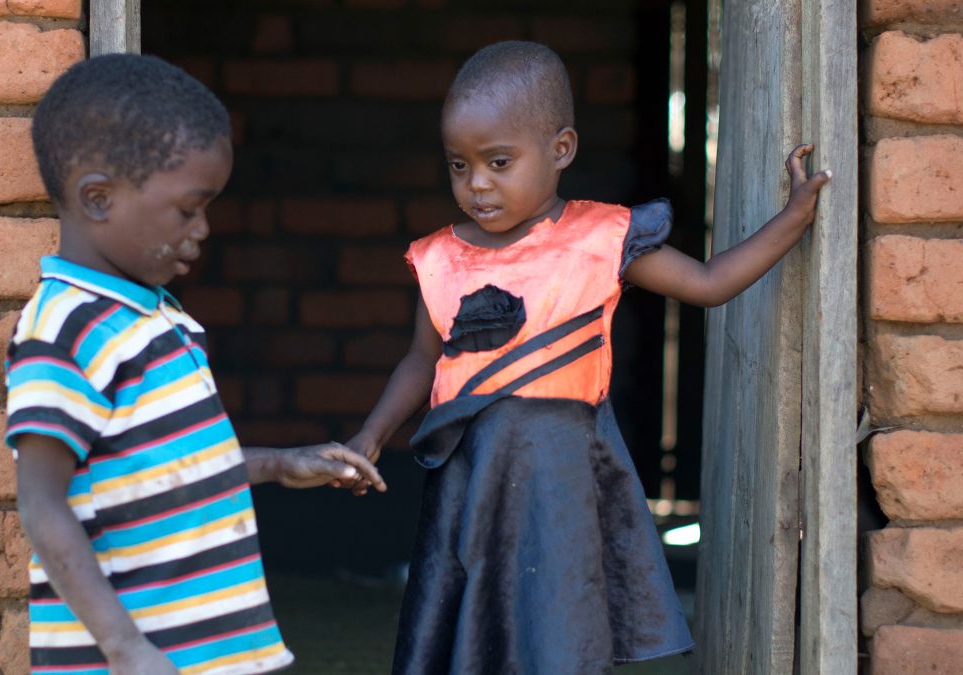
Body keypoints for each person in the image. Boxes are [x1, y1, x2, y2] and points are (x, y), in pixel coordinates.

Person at [341, 41, 831, 674]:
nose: (477, 183)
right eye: (459, 166)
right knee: (471, 622)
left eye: (498, 161)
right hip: (470, 476)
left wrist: (793, 218)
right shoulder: (440, 258)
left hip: (563, 473)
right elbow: (419, 361)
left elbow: (710, 284)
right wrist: (372, 434)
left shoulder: (603, 239)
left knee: (558, 620)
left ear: (561, 149)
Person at [5, 54, 387, 675]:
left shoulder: (160, 318)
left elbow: (160, 470)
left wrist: (277, 465)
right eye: (188, 209)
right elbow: (40, 504)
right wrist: (125, 649)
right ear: (98, 199)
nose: (204, 228)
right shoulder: (63, 328)